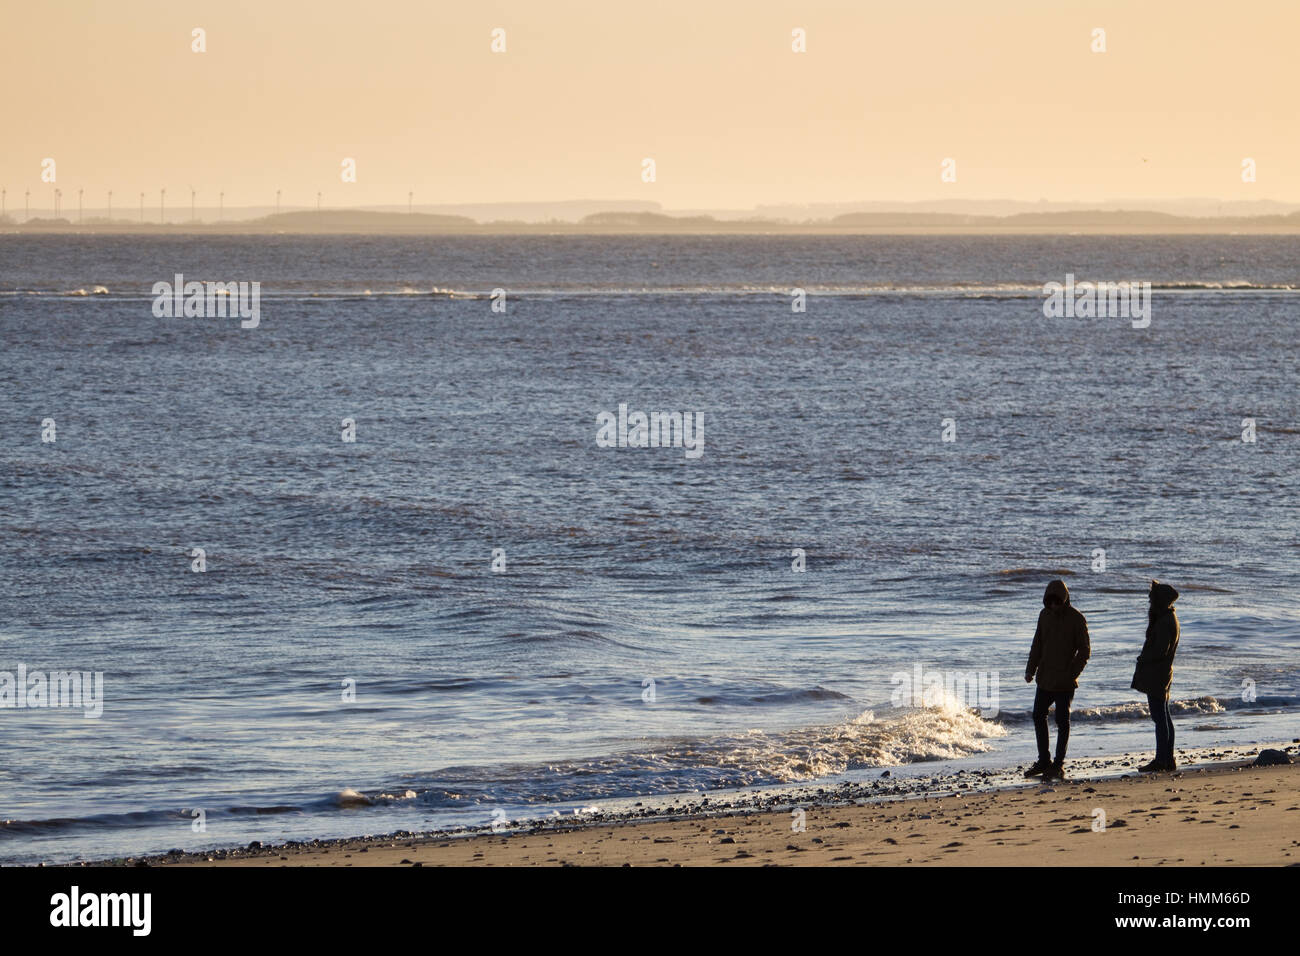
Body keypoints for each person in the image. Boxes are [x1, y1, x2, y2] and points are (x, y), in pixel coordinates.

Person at [1024, 579, 1091, 779]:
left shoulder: (1076, 618)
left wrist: (1072, 673)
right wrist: (1030, 670)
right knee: (1038, 716)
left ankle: (1058, 764)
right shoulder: (1044, 615)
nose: (1053, 606)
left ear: (1064, 600)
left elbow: (1085, 650)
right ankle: (1044, 760)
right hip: (1044, 678)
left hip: (1064, 682)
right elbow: (1037, 644)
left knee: (1062, 722)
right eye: (1050, 602)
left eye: (1057, 602)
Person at [1132, 580, 1180, 772]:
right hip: (1162, 673)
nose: (1150, 603)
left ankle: (1162, 759)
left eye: (1152, 600)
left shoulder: (1165, 622)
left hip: (1157, 674)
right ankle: (1167, 759)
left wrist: (1143, 658)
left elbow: (1160, 650)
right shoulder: (1169, 619)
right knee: (1164, 716)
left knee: (1160, 717)